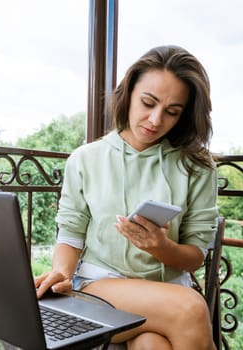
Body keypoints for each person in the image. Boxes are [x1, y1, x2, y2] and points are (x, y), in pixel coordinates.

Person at [34, 45, 218, 350]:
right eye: (148, 103)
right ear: (129, 92)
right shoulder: (85, 159)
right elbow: (70, 234)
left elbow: (195, 255)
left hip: (167, 290)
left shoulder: (196, 166)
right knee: (191, 309)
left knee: (151, 344)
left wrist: (161, 247)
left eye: (172, 112)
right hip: (101, 288)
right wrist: (62, 274)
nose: (155, 120)